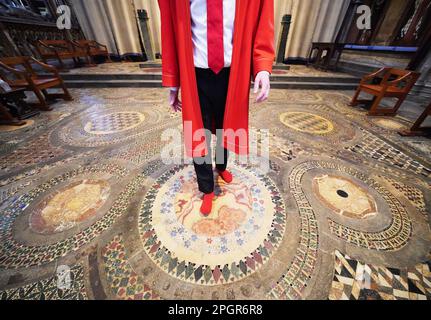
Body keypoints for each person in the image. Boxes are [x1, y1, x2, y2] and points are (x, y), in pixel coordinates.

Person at [158, 0, 275, 215]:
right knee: (198, 134)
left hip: (233, 73)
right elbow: (170, 26)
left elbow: (262, 20)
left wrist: (262, 68)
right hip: (195, 74)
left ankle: (221, 166)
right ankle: (206, 187)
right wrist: (173, 83)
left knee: (226, 128)